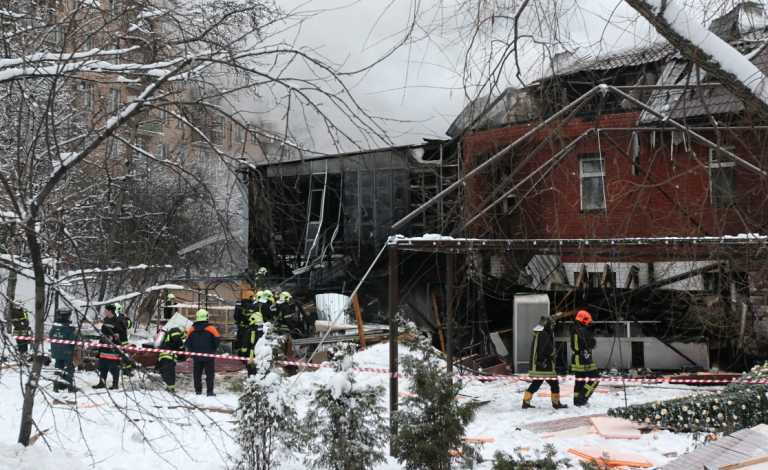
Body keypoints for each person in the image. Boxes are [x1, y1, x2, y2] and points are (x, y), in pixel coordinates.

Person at [522, 316, 568, 409]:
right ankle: (556, 403)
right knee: (554, 384)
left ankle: (526, 401)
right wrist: (552, 353)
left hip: (538, 365)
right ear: (547, 324)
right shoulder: (544, 334)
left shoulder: (539, 333)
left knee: (536, 383)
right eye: (551, 325)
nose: (552, 327)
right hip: (544, 366)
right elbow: (544, 348)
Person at [185, 309, 220, 396]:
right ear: (206, 317)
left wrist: (192, 351)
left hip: (196, 356)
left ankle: (198, 391)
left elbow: (187, 342)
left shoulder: (191, 329)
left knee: (197, 374)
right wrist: (212, 350)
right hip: (209, 356)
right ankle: (209, 392)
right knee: (210, 375)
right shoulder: (212, 328)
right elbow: (217, 341)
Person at [239, 291, 273, 376]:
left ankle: (252, 380)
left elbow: (245, 345)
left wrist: (242, 355)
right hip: (262, 355)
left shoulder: (250, 330)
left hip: (251, 355)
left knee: (252, 372)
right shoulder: (264, 330)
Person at [571, 309, 599, 407]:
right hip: (584, 358)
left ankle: (577, 400)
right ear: (584, 320)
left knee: (580, 380)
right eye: (588, 321)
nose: (589, 323)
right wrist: (591, 335)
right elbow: (591, 344)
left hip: (577, 358)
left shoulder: (575, 329)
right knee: (595, 378)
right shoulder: (583, 330)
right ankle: (582, 398)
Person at [95, 304, 122, 389]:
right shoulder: (105, 320)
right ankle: (102, 383)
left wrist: (113, 338)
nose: (104, 312)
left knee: (113, 367)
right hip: (103, 347)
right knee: (103, 366)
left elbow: (120, 334)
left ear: (110, 311)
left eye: (105, 310)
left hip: (112, 349)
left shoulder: (117, 321)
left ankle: (115, 384)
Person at [49, 309, 77, 392]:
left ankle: (57, 386)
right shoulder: (69, 328)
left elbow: (51, 336)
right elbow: (73, 339)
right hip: (67, 352)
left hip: (56, 351)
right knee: (69, 369)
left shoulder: (54, 326)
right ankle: (70, 387)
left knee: (58, 368)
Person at [155, 321, 185, 392]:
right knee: (170, 373)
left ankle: (169, 388)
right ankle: (171, 389)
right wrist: (181, 347)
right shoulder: (175, 330)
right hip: (169, 356)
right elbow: (177, 340)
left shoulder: (167, 334)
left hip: (163, 356)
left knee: (166, 372)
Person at [114, 303, 134, 377]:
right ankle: (127, 371)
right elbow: (129, 325)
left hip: (114, 341)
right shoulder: (122, 317)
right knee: (125, 356)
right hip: (123, 341)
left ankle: (121, 369)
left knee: (119, 356)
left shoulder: (111, 317)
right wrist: (127, 318)